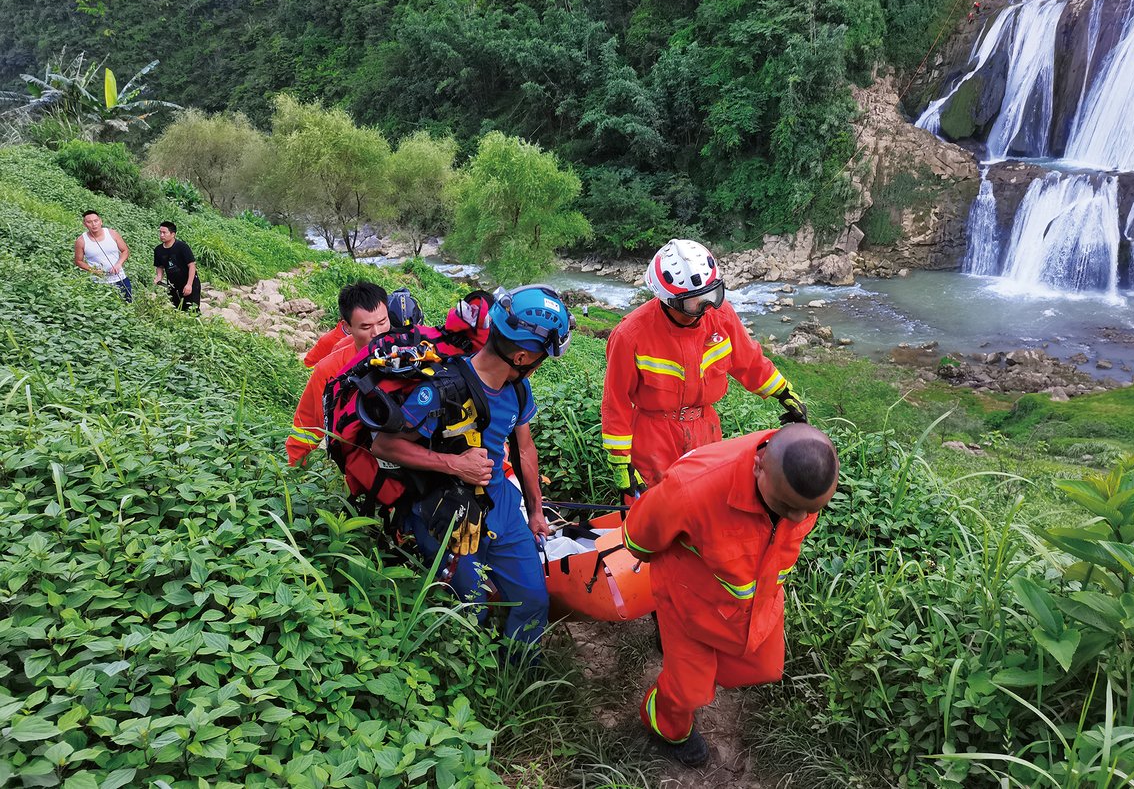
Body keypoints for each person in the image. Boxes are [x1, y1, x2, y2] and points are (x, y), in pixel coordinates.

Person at [622, 424, 839, 766]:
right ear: (758, 466)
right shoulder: (692, 488)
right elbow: (637, 538)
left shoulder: (799, 479)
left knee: (765, 667)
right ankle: (664, 725)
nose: (797, 518)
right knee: (688, 692)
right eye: (787, 506)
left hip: (753, 605)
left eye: (810, 510)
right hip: (688, 602)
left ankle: (699, 669)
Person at [370, 285, 573, 646]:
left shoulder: (518, 390)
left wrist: (537, 512)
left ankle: (520, 673)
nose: (540, 365)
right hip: (449, 512)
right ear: (524, 357)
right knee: (470, 611)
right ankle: (474, 680)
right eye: (543, 356)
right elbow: (385, 445)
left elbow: (525, 451)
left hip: (503, 508)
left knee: (533, 598)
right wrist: (454, 464)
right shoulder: (442, 390)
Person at [600, 239, 808, 496]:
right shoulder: (631, 335)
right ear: (669, 301)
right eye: (693, 303)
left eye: (710, 296)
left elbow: (750, 362)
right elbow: (616, 401)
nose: (704, 308)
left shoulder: (721, 317)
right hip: (654, 437)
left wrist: (784, 393)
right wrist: (621, 461)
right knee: (653, 508)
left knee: (706, 499)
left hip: (706, 429)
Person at [287, 281, 392, 466]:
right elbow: (307, 425)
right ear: (347, 327)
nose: (377, 333)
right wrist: (294, 469)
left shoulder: (412, 348)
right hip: (364, 462)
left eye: (382, 322)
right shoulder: (331, 369)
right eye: (366, 327)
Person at [75, 210, 131, 302]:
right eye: (89, 222)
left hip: (120, 278)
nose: (94, 224)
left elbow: (125, 251)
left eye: (96, 221)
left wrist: (119, 264)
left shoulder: (112, 234)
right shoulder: (81, 241)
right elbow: (78, 261)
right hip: (98, 283)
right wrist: (93, 271)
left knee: (127, 306)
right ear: (84, 224)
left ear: (101, 221)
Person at [153, 221, 201, 312]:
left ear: (173, 234)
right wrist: (159, 276)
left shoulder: (182, 247)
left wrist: (189, 285)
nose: (161, 235)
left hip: (189, 282)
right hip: (173, 285)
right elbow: (159, 266)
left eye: (164, 232)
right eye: (160, 232)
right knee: (177, 310)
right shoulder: (158, 250)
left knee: (192, 310)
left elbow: (192, 266)